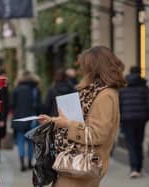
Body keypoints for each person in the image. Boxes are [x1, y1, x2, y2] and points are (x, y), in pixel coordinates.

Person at [38, 46, 125, 187]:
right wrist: (54, 121)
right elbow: (79, 121)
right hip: (75, 164)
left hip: (84, 165)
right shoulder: (92, 91)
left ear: (94, 67)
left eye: (85, 66)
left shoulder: (105, 95)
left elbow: (98, 134)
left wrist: (67, 124)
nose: (82, 70)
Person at [119, 66, 149, 178]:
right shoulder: (144, 87)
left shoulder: (123, 87)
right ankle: (138, 167)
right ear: (139, 73)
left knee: (131, 143)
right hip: (140, 120)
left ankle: (134, 168)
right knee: (139, 142)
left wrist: (120, 119)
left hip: (127, 119)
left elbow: (118, 104)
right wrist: (147, 117)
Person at [11, 70, 42, 172]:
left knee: (20, 141)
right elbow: (39, 106)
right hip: (32, 118)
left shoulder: (16, 89)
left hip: (19, 118)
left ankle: (22, 163)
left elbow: (12, 104)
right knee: (30, 141)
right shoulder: (35, 89)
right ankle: (29, 163)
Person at [0, 66, 9, 159]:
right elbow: (3, 104)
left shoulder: (3, 87)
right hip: (0, 115)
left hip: (0, 114)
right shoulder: (2, 88)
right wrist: (2, 118)